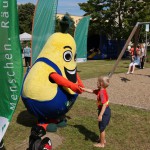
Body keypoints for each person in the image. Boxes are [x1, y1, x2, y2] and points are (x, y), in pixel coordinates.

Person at [80, 76, 111, 148]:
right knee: (101, 127)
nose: (96, 83)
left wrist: (100, 115)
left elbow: (104, 105)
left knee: (102, 129)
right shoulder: (100, 90)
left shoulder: (102, 93)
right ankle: (102, 139)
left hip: (104, 112)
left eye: (97, 82)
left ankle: (102, 144)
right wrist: (83, 89)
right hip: (104, 111)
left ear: (101, 83)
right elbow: (92, 91)